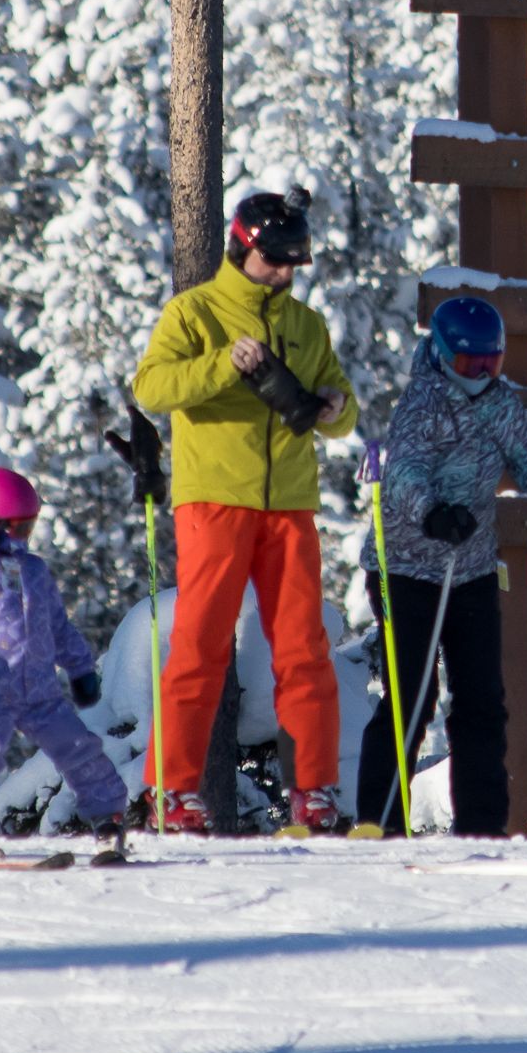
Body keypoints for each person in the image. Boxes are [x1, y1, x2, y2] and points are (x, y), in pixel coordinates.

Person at [129, 191, 358, 835]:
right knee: (200, 645)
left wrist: (339, 408)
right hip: (213, 501)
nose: (286, 273)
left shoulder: (307, 325)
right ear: (242, 247)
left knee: (305, 649)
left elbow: (344, 409)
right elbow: (151, 387)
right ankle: (171, 791)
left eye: (296, 262)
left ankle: (314, 791)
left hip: (289, 504)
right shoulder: (195, 311)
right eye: (277, 260)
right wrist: (221, 366)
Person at [357, 295, 527, 836]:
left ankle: (481, 825)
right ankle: (379, 820)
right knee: (412, 696)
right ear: (442, 355)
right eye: (467, 364)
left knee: (481, 699)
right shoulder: (424, 402)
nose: (479, 374)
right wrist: (432, 513)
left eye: (490, 364)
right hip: (404, 569)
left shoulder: (499, 405)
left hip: (469, 570)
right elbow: (404, 473)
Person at [0, 467, 133, 854]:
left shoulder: (33, 570)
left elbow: (57, 624)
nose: (23, 538)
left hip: (40, 691)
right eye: (17, 528)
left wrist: (80, 667)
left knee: (77, 745)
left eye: (29, 528)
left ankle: (109, 815)